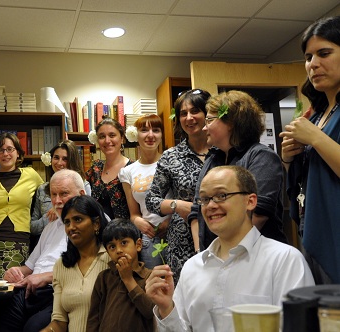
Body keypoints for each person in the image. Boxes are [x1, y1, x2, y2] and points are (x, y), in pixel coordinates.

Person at [145, 166, 315, 332]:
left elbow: (300, 326)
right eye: (204, 199)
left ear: (250, 201)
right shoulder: (192, 267)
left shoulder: (285, 260)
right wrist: (166, 308)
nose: (210, 205)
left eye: (221, 195)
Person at [0, 169, 86, 332]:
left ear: (82, 193)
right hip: (30, 292)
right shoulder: (50, 226)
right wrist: (15, 271)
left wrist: (46, 277)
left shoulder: (92, 224)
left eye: (64, 193)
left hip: (59, 293)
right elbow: (30, 268)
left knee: (33, 327)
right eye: (53, 194)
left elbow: (90, 269)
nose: (57, 201)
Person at [279, 16, 340, 284]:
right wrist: (289, 158)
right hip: (312, 229)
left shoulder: (314, 126)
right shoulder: (315, 115)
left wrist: (315, 138)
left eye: (324, 53)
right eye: (308, 57)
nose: (312, 64)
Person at [188, 90, 287, 251]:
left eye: (209, 121)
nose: (204, 128)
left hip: (254, 257)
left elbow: (258, 213)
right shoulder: (212, 159)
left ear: (232, 122)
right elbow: (196, 210)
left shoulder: (262, 157)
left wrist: (226, 253)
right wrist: (204, 254)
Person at [146, 89, 211, 280]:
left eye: (195, 111)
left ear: (208, 114)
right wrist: (177, 205)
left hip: (222, 235)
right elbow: (151, 200)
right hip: (183, 243)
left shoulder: (224, 150)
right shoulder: (171, 156)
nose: (189, 118)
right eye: (183, 113)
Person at [0, 132, 44, 280]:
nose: (5, 154)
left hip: (18, 242)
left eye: (10, 149)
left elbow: (47, 195)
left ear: (17, 152)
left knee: (10, 287)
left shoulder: (31, 175)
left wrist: (50, 212)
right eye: (0, 150)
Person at [41, 195, 110, 332]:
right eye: (67, 222)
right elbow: (59, 322)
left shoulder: (111, 260)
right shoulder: (62, 265)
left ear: (96, 224)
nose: (71, 227)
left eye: (78, 219)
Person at [119, 114, 169, 268]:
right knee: (153, 286)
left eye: (156, 130)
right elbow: (134, 214)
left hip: (176, 232)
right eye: (144, 130)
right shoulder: (127, 172)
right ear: (136, 135)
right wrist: (139, 222)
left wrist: (168, 222)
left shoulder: (171, 162)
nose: (150, 135)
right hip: (150, 236)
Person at [87, 218, 155, 332]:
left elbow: (150, 312)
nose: (118, 250)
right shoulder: (104, 278)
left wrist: (128, 279)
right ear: (108, 252)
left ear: (138, 245)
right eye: (112, 246)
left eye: (124, 243)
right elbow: (93, 320)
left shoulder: (150, 276)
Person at [31, 140, 91, 249]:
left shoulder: (83, 185)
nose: (59, 163)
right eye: (56, 158)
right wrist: (49, 216)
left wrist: (63, 211)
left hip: (72, 244)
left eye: (65, 159)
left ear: (72, 161)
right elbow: (33, 227)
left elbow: (87, 218)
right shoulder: (42, 189)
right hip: (46, 245)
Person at [86, 117, 132, 220]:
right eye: (102, 136)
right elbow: (78, 190)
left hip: (124, 233)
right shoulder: (95, 168)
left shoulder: (133, 168)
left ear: (122, 138)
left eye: (112, 135)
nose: (107, 141)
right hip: (98, 232)